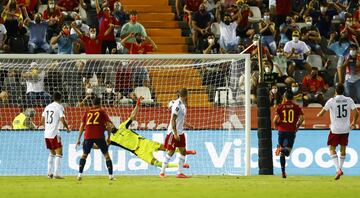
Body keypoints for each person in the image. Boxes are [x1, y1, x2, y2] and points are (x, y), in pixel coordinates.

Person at [104, 97, 196, 169]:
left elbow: (132, 116)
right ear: (106, 129)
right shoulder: (111, 139)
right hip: (138, 151)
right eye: (107, 126)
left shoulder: (122, 126)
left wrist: (137, 105)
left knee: (166, 148)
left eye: (109, 124)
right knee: (155, 163)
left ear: (112, 124)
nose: (109, 126)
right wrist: (89, 144)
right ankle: (179, 166)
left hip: (144, 142)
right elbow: (100, 145)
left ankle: (186, 152)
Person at [316, 83, 359, 180]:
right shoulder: (349, 100)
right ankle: (340, 168)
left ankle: (338, 169)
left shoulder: (331, 101)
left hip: (335, 129)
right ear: (344, 91)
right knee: (343, 149)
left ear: (335, 91)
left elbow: (321, 114)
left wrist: (318, 114)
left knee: (331, 148)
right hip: (346, 129)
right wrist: (353, 122)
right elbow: (357, 113)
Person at [76, 97, 115, 181]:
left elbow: (82, 126)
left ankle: (79, 175)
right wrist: (108, 137)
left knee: (84, 155)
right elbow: (108, 125)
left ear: (92, 104)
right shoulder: (102, 111)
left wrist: (78, 139)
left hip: (88, 135)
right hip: (99, 136)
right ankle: (111, 176)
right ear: (100, 103)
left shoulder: (87, 111)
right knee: (106, 156)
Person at [160, 88, 192, 178]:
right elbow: (173, 119)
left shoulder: (183, 104)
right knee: (171, 151)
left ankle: (179, 173)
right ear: (186, 95)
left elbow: (179, 119)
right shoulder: (177, 105)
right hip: (173, 132)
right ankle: (162, 172)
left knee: (183, 151)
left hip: (180, 132)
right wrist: (175, 133)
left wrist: (187, 124)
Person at [273, 90, 304, 179]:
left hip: (281, 131)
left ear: (285, 97)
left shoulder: (280, 107)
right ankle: (282, 149)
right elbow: (302, 118)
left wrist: (276, 126)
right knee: (287, 152)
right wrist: (297, 126)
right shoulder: (296, 107)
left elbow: (275, 120)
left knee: (282, 154)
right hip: (291, 131)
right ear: (292, 97)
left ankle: (283, 172)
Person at [40, 92, 70, 179]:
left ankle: (49, 173)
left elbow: (42, 120)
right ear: (60, 98)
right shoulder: (59, 107)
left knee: (52, 153)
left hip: (47, 134)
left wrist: (47, 128)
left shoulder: (47, 107)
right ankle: (56, 173)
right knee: (59, 153)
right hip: (54, 133)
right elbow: (62, 119)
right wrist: (67, 128)